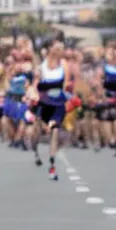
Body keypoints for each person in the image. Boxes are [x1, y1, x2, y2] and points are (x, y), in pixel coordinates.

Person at [33, 41, 70, 180]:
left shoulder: (64, 64)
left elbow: (66, 84)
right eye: (58, 49)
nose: (61, 51)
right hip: (44, 103)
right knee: (37, 130)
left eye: (62, 49)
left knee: (54, 129)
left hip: (58, 103)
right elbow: (36, 84)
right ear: (51, 50)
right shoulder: (41, 66)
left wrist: (68, 96)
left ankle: (52, 164)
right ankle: (35, 151)